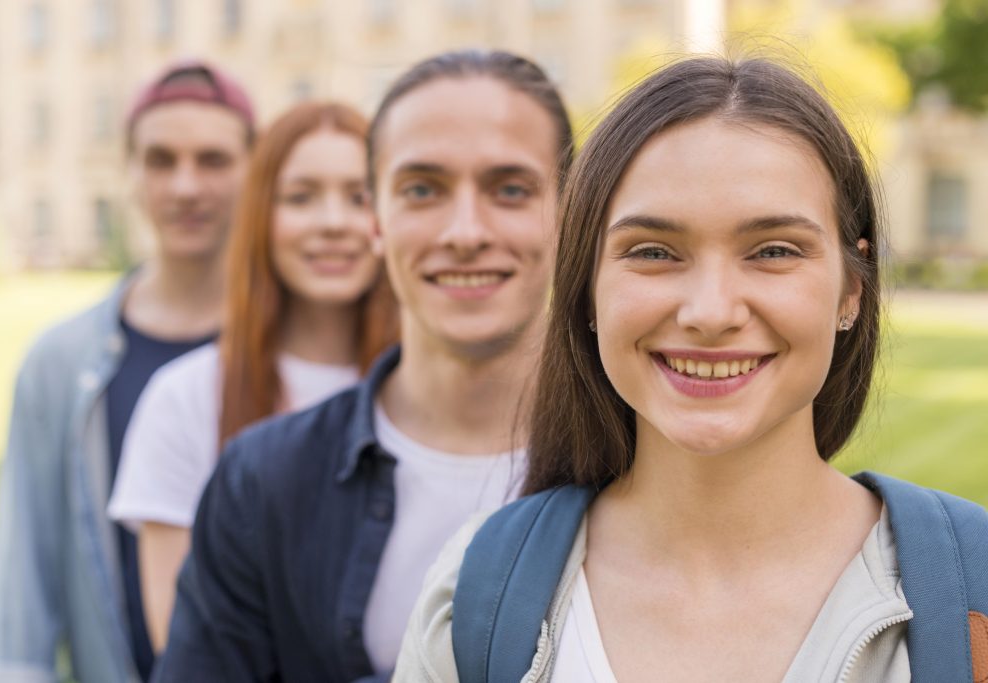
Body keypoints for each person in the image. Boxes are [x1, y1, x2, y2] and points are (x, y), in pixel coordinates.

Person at [394, 56, 988, 681]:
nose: (710, 312)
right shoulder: (473, 594)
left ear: (851, 291)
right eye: (653, 252)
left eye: (773, 251)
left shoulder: (974, 591)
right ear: (587, 289)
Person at [152, 49, 573, 682]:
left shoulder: (645, 462)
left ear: (572, 211)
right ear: (375, 218)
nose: (464, 231)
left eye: (509, 189)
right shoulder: (262, 482)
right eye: (422, 189)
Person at [0, 62, 254, 683]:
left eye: (213, 160)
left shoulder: (302, 352)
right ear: (129, 172)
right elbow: (24, 584)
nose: (186, 186)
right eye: (160, 160)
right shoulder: (59, 363)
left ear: (254, 171)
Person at [107, 101, 398, 653]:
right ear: (259, 216)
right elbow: (185, 642)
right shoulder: (185, 398)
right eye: (300, 197)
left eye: (358, 196)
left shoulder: (435, 395)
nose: (333, 222)